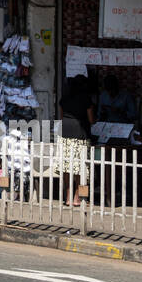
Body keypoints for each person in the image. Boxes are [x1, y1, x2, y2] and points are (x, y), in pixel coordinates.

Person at [58, 76, 95, 206]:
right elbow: (91, 120)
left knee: (67, 167)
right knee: (80, 168)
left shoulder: (65, 98)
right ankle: (77, 198)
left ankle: (68, 198)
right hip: (80, 134)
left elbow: (61, 116)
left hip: (65, 133)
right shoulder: (86, 99)